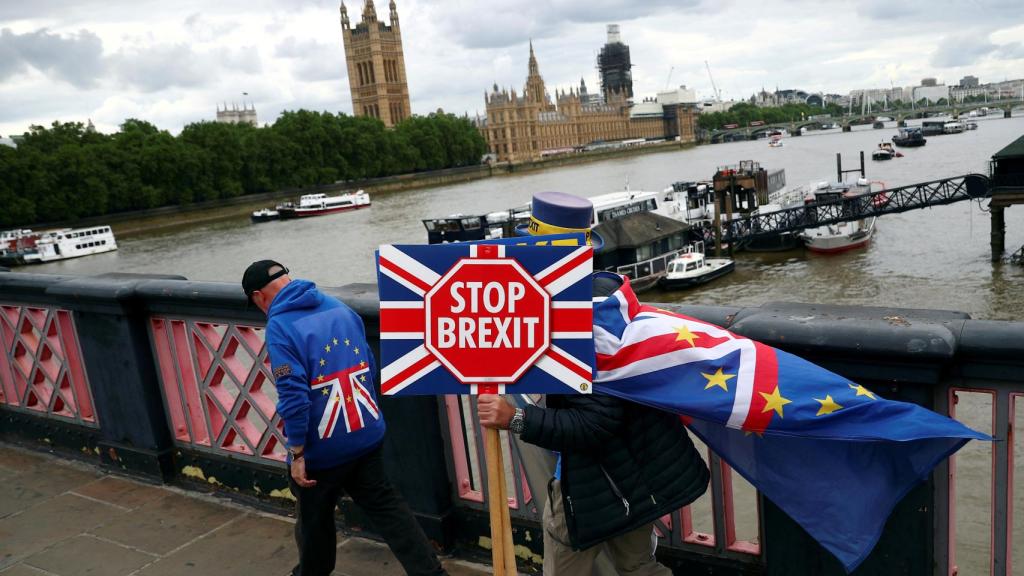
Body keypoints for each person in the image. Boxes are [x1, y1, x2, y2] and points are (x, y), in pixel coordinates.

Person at [477, 192, 710, 575]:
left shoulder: (578, 322)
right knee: (637, 565)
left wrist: (515, 418)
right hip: (638, 472)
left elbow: (596, 422)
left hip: (595, 479)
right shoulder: (608, 293)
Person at [242, 260, 448, 576]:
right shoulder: (338, 307)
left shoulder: (280, 326)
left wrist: (297, 453)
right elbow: (369, 366)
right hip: (366, 434)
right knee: (390, 510)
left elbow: (294, 397)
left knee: (315, 522)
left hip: (323, 449)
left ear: (258, 296)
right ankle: (431, 573)